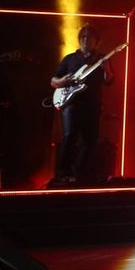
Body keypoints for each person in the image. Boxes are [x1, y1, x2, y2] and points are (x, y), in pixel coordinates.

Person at [49, 23, 114, 185]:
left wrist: (107, 69)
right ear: (79, 40)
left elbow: (110, 81)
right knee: (69, 136)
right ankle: (62, 173)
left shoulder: (101, 59)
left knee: (90, 141)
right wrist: (63, 81)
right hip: (71, 104)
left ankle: (80, 174)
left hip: (92, 105)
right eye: (83, 37)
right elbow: (53, 81)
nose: (86, 40)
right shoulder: (70, 59)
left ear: (97, 41)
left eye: (90, 37)